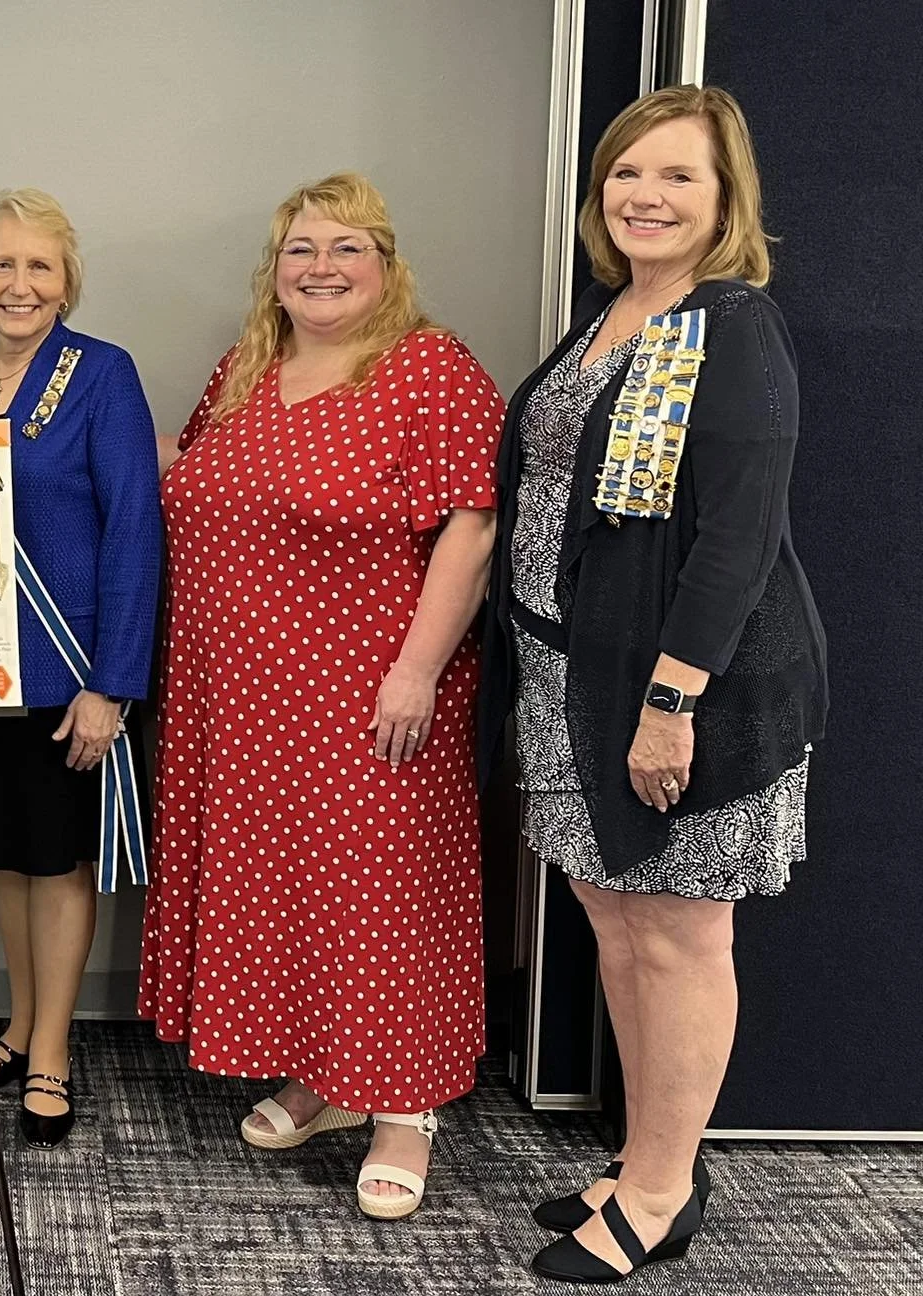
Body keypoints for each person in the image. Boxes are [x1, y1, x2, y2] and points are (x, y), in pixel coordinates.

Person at [481, 86, 826, 1283]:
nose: (645, 196)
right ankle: (641, 1159)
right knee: (613, 922)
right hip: (568, 674)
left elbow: (735, 540)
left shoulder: (732, 329)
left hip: (682, 691)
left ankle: (665, 1191)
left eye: (676, 177)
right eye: (626, 173)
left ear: (724, 199)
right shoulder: (611, 315)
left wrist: (670, 700)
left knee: (676, 936)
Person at [139, 173, 504, 1218]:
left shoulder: (426, 368)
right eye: (300, 247)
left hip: (371, 693)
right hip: (243, 705)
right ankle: (322, 1080)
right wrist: (21, 455)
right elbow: (181, 472)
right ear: (275, 269)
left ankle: (403, 1108)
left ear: (385, 265)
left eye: (347, 247)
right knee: (292, 896)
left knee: (381, 898)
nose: (320, 266)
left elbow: (470, 526)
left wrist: (417, 669)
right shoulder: (249, 365)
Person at [0, 188, 161, 1149]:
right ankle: (15, 1024)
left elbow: (135, 532)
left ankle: (52, 1047)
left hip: (67, 675)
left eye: (39, 266)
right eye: (1, 265)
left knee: (58, 864)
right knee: (3, 856)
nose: (20, 284)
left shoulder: (103, 375)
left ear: (68, 281)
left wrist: (113, 683)